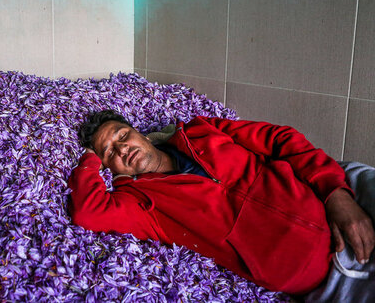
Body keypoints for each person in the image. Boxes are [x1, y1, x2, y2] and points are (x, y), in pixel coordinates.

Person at [67, 110, 375, 297]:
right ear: (110, 168)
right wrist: (89, 159)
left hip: (338, 188)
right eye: (110, 153)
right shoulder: (143, 204)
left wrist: (337, 194)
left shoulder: (199, 130)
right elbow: (88, 211)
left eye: (123, 135)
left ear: (141, 134)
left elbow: (281, 139)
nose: (123, 149)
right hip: (317, 274)